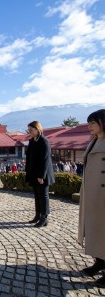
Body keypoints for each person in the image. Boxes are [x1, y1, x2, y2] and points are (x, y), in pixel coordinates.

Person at [78, 109, 105, 286]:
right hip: (92, 192)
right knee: (95, 229)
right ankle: (100, 262)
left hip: (102, 193)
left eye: (92, 123)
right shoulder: (95, 141)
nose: (89, 126)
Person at [25, 121, 55, 227]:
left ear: (38, 129)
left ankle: (44, 218)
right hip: (33, 173)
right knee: (37, 195)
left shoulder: (44, 141)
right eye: (28, 130)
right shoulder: (32, 141)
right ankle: (37, 215)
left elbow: (45, 160)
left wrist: (41, 176)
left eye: (31, 130)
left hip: (43, 174)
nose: (30, 132)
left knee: (43, 196)